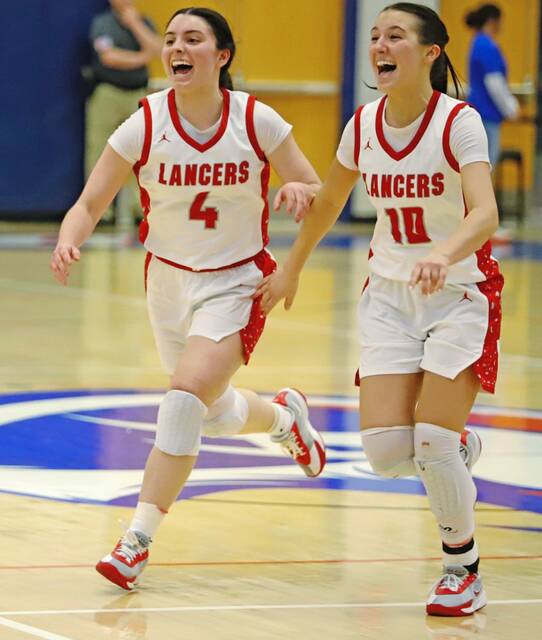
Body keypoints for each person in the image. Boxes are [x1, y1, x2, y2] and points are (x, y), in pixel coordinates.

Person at [51, 6, 326, 590]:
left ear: (221, 56)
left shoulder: (256, 119)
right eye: (172, 38)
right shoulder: (145, 121)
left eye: (193, 39)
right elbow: (89, 202)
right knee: (214, 412)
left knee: (181, 402)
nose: (177, 46)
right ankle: (284, 418)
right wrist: (69, 241)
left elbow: (317, 187)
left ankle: (135, 541)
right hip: (168, 282)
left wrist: (300, 188)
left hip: (236, 280)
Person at [256, 2, 503, 618]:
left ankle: (461, 570)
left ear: (430, 52)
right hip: (390, 298)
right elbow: (330, 201)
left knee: (432, 443)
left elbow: (486, 213)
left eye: (395, 36)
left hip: (461, 295)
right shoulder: (362, 125)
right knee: (389, 453)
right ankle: (455, 451)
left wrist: (444, 253)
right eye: (374, 37)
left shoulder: (460, 124)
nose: (379, 47)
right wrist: (291, 265)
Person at [86, 0, 162, 221]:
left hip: (138, 93)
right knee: (99, 152)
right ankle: (99, 212)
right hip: (108, 93)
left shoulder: (144, 21)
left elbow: (158, 50)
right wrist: (141, 58)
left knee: (144, 153)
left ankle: (141, 209)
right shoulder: (103, 23)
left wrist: (135, 24)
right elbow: (109, 57)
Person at [465, 4, 519, 168]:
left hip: (480, 111)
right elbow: (494, 83)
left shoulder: (478, 42)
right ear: (492, 21)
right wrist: (511, 108)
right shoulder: (487, 46)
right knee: (485, 168)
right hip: (486, 114)